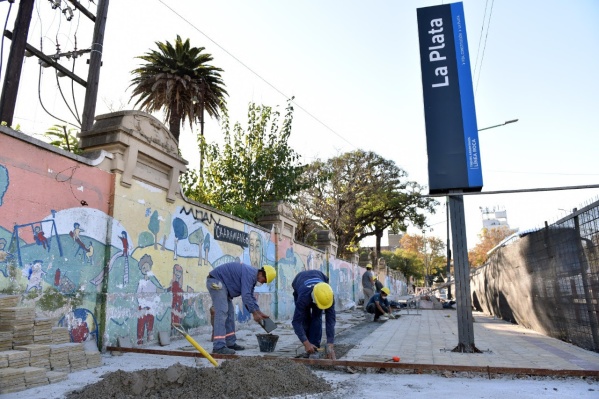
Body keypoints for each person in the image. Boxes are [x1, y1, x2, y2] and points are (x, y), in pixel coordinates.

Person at [206, 262, 276, 355]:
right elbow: (246, 296)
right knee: (222, 312)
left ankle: (230, 343)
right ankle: (218, 347)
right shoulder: (250, 274)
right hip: (216, 281)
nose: (263, 283)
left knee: (230, 314)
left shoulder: (252, 276)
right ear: (261, 273)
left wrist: (258, 311)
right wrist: (254, 313)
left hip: (223, 286)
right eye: (264, 281)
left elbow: (250, 295)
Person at [291, 270, 336, 359]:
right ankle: (309, 346)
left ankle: (315, 346)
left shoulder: (328, 296)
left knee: (317, 317)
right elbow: (296, 322)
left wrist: (330, 343)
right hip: (299, 283)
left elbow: (330, 320)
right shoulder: (303, 298)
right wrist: (306, 343)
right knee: (305, 318)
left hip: (319, 278)